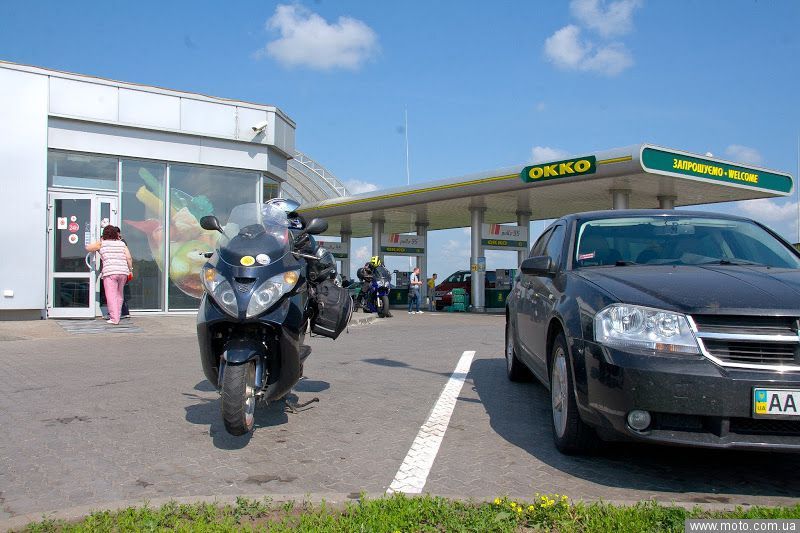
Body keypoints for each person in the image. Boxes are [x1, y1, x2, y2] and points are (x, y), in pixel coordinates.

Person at [86, 225, 132, 325]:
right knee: (119, 295)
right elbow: (128, 257)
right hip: (123, 272)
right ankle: (118, 315)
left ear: (104, 234)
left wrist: (99, 241)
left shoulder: (102, 244)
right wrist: (130, 269)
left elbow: (88, 248)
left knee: (111, 296)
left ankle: (114, 318)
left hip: (110, 272)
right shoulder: (122, 244)